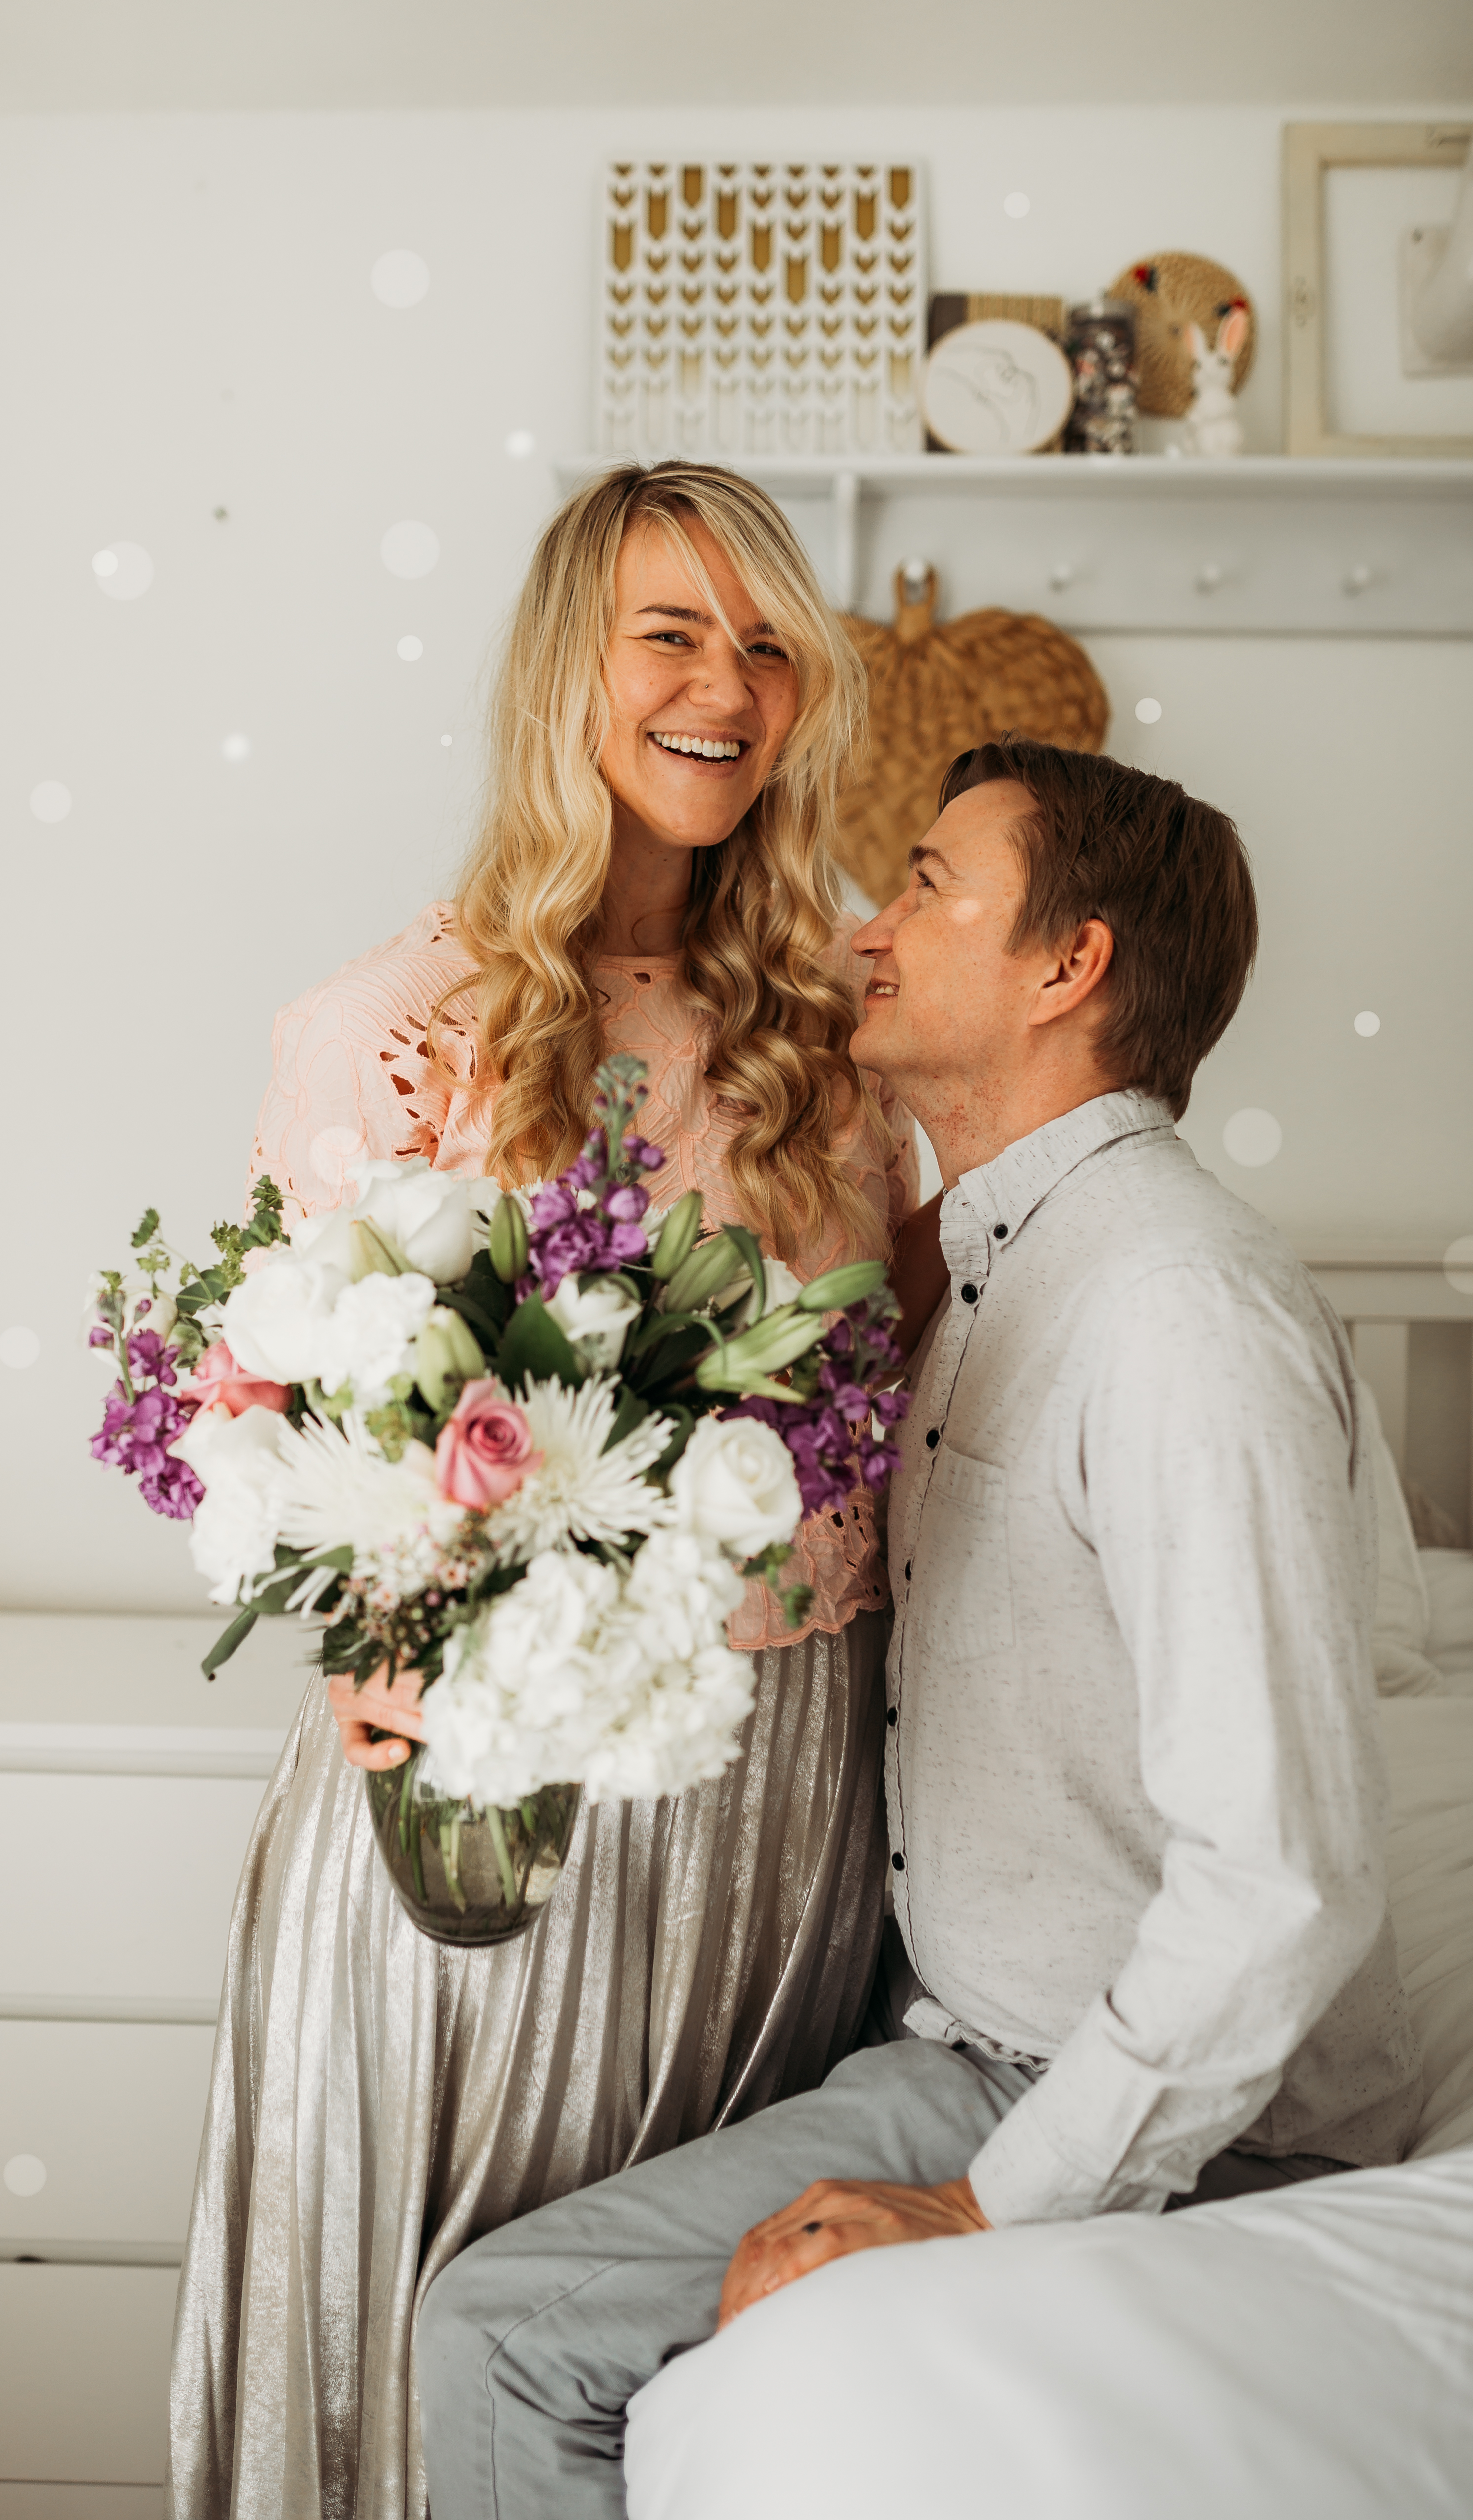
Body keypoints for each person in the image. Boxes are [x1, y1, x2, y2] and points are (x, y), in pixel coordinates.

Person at [414, 737, 1424, 2519]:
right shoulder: (990, 1263)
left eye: (934, 886)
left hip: (1137, 2104)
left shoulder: (1176, 1310)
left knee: (504, 2329)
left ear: (1068, 965)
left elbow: (1289, 1871)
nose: (872, 929)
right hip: (949, 2026)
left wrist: (987, 2202)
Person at [166, 462, 935, 2520]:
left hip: (772, 1810)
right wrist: (367, 1640)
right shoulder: (390, 1029)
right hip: (484, 1813)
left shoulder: (841, 1045)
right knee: (425, 2330)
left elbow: (930, 1402)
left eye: (768, 643)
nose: (726, 685)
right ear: (563, 673)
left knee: (684, 2376)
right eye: (669, 633)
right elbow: (273, 1409)